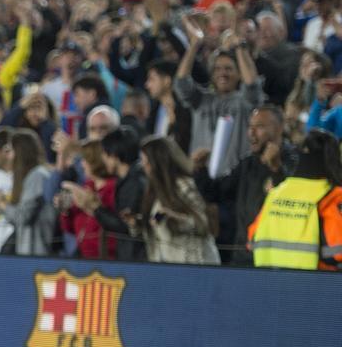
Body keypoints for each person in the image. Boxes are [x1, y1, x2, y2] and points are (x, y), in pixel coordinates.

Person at [194, 105, 297, 266]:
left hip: (276, 259)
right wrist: (200, 170)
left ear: (279, 129)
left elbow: (293, 203)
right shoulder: (247, 164)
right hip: (242, 256)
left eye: (260, 127)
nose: (251, 133)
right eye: (250, 127)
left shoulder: (294, 161)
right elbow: (217, 193)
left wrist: (277, 169)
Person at [174, 18, 263, 178]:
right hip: (201, 176)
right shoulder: (202, 100)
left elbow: (251, 84)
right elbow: (181, 82)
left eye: (229, 68)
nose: (223, 73)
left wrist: (239, 48)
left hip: (234, 179)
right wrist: (194, 45)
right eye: (217, 69)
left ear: (238, 74)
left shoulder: (244, 102)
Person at [248, 130, 342, 270]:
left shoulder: (276, 193)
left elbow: (252, 241)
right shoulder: (332, 195)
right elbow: (337, 251)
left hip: (269, 283)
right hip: (317, 284)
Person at [65, 127, 148, 262]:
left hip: (134, 259)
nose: (102, 158)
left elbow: (125, 227)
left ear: (114, 155)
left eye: (105, 153)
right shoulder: (127, 180)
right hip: (127, 256)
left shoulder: (135, 184)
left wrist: (96, 208)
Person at [139, 136, 220, 265]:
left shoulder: (184, 185)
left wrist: (176, 218)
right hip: (167, 266)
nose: (144, 167)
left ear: (158, 162)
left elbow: (204, 224)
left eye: (147, 162)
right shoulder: (152, 192)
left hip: (196, 264)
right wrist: (136, 224)